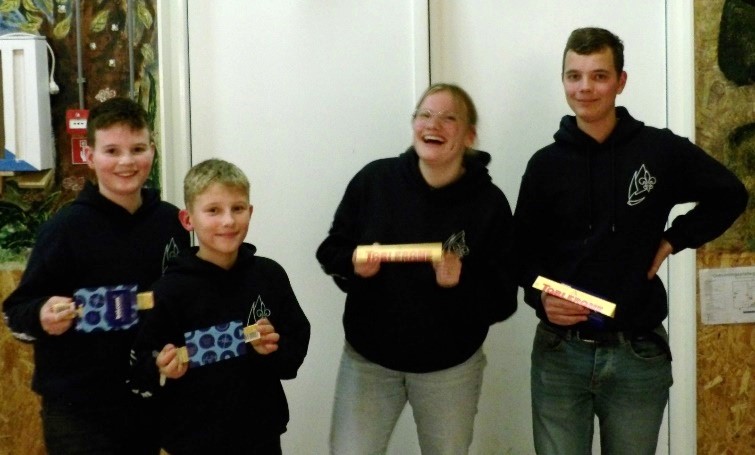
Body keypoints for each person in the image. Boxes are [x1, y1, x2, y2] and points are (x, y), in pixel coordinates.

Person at [512, 27, 749, 455]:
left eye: (599, 76)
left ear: (621, 81)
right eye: (574, 76)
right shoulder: (545, 165)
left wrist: (673, 240)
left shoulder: (659, 151)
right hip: (560, 355)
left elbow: (730, 194)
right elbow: (519, 254)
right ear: (564, 81)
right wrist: (539, 297)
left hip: (637, 354)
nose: (585, 87)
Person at [316, 83, 518, 454]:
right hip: (368, 361)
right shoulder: (374, 180)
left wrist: (460, 282)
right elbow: (330, 250)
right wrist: (353, 264)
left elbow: (505, 299)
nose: (433, 124)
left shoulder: (490, 204)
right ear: (413, 125)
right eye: (424, 115)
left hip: (450, 369)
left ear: (469, 136)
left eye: (448, 118)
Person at [2, 97, 191, 454]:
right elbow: (16, 312)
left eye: (137, 149)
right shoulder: (64, 229)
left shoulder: (171, 222)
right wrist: (42, 314)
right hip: (80, 412)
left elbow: (181, 300)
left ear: (152, 151)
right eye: (112, 151)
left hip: (148, 403)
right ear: (89, 156)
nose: (126, 161)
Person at [130, 158, 311, 454]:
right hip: (190, 441)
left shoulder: (269, 276)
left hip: (260, 437)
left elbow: (293, 354)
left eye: (237, 208)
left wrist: (270, 349)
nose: (228, 221)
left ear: (250, 212)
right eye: (213, 210)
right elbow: (141, 367)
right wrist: (161, 368)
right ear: (188, 220)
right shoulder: (167, 291)